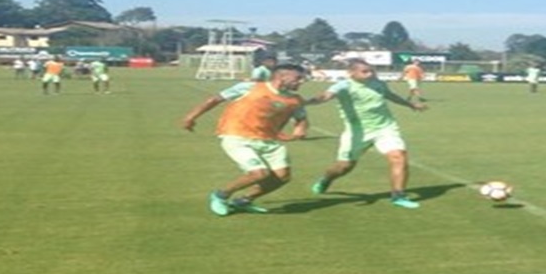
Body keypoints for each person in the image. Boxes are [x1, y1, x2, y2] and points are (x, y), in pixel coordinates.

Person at [180, 63, 310, 216]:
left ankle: (244, 201)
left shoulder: (295, 100)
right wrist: (191, 117)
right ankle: (221, 195)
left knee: (282, 177)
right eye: (298, 78)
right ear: (282, 77)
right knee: (259, 174)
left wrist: (299, 130)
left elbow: (301, 118)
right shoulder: (249, 87)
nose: (302, 82)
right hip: (237, 136)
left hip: (269, 141)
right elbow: (215, 99)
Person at [308, 59, 429, 209]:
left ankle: (398, 195)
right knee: (344, 166)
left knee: (399, 156)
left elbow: (390, 95)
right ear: (351, 73)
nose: (370, 74)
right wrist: (306, 102)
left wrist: (411, 105)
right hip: (357, 132)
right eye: (365, 71)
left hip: (385, 128)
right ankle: (326, 179)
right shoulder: (344, 85)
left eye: (371, 71)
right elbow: (324, 96)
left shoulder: (378, 83)